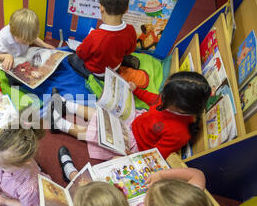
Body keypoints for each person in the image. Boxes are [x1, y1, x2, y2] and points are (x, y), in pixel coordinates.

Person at [50, 71, 211, 175]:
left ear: (181, 106)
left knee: (96, 133)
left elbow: (157, 156)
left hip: (134, 146)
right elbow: (153, 98)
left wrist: (133, 156)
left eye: (166, 95)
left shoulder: (180, 132)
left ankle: (60, 125)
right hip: (134, 122)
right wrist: (136, 90)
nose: (162, 96)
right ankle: (65, 105)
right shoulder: (171, 102)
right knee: (101, 114)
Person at [68, 0, 137, 80]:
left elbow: (81, 53)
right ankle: (126, 62)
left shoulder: (95, 36)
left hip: (98, 73)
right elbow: (129, 50)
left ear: (101, 8)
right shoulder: (131, 30)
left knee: (72, 58)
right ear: (126, 9)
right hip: (115, 67)